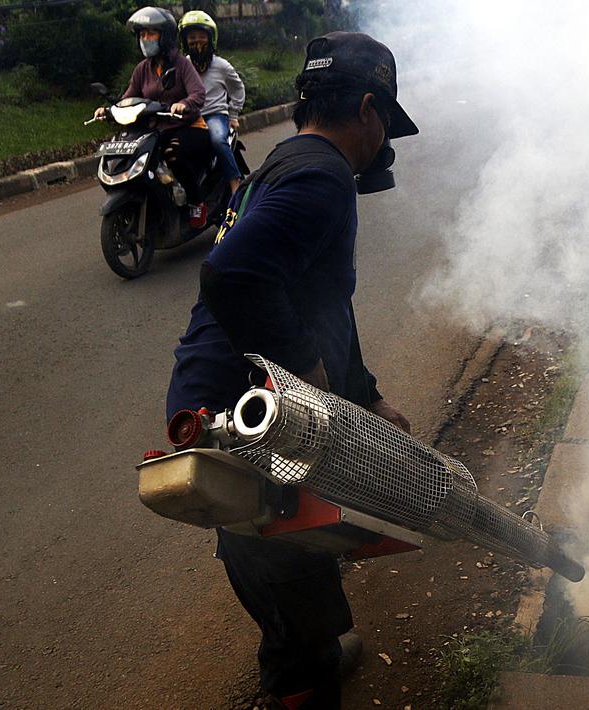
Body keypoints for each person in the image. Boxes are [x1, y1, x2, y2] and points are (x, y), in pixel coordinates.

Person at [164, 31, 419, 710]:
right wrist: (305, 377)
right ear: (366, 109)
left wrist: (365, 394)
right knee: (280, 549)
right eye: (385, 124)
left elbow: (323, 302)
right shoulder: (322, 176)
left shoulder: (289, 159)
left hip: (225, 396)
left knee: (285, 539)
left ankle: (312, 650)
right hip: (248, 409)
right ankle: (303, 678)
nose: (382, 143)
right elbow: (232, 275)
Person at [97, 6, 211, 214]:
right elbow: (127, 98)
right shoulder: (142, 68)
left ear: (164, 37)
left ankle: (197, 203)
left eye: (150, 34)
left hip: (188, 127)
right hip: (156, 130)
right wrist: (109, 111)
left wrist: (184, 104)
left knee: (173, 154)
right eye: (142, 34)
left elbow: (198, 93)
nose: (145, 39)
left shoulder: (181, 64)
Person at [178, 10, 247, 194]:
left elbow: (238, 88)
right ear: (185, 41)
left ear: (211, 39)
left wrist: (233, 114)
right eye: (192, 37)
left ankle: (235, 182)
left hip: (215, 115)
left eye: (202, 37)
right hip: (191, 117)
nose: (197, 42)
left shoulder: (221, 65)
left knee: (217, 140)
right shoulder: (183, 66)